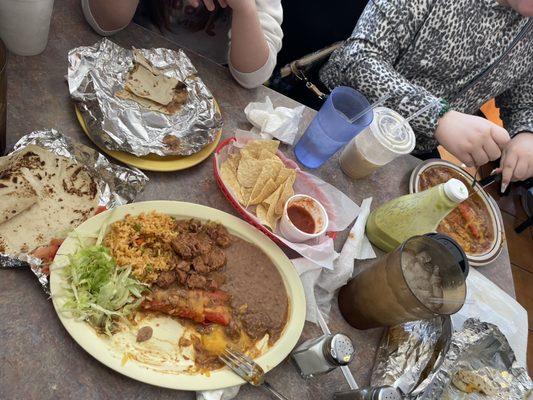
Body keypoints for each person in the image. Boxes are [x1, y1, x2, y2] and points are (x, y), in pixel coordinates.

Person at [320, 0, 533, 192]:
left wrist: (526, 133)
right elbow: (358, 58)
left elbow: (524, 103)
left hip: (411, 150)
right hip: (341, 117)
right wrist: (438, 116)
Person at [81, 0, 283, 89]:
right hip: (115, 65)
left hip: (201, 87)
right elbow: (104, 23)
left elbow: (253, 76)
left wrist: (245, 8)